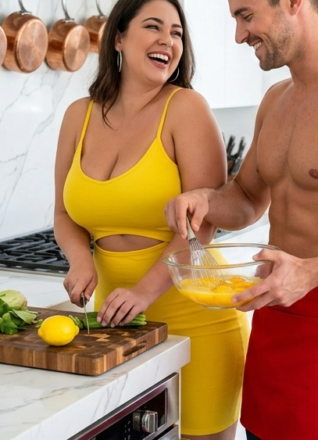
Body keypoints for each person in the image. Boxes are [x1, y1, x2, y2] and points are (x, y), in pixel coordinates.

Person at [163, 0, 318, 439]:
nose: (239, 35)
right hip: (273, 319)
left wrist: (311, 273)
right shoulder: (276, 99)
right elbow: (249, 197)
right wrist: (205, 200)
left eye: (246, 15)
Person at [53, 1, 246, 439]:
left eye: (177, 33)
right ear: (118, 38)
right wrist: (80, 261)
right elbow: (64, 213)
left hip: (197, 321)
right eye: (154, 27)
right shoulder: (77, 116)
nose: (168, 41)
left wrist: (144, 289)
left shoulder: (186, 108)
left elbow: (205, 222)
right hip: (116, 325)